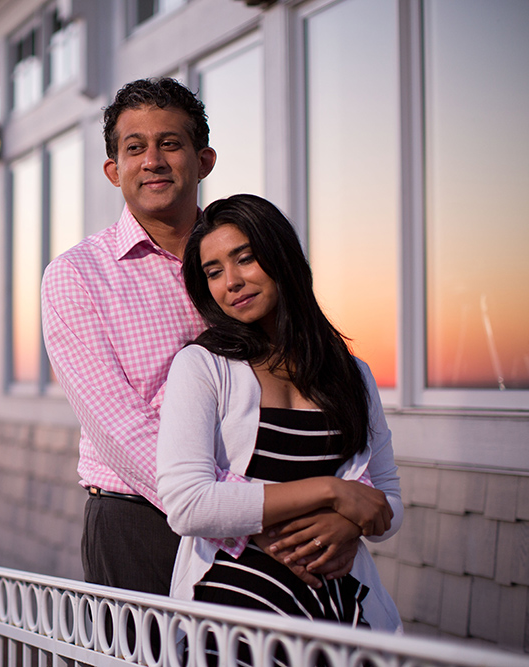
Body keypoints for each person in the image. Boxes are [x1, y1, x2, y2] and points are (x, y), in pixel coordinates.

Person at [156, 194, 403, 632]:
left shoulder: (354, 376)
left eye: (245, 259)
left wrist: (347, 524)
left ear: (281, 256)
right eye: (214, 272)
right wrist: (331, 491)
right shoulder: (202, 366)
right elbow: (188, 504)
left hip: (339, 615)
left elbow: (386, 503)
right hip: (233, 620)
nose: (231, 282)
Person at [41, 77, 215, 594]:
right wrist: (234, 508)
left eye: (170, 143)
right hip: (140, 524)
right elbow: (119, 428)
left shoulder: (242, 262)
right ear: (114, 171)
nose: (153, 160)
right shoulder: (78, 275)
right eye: (135, 148)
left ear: (203, 160)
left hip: (258, 508)